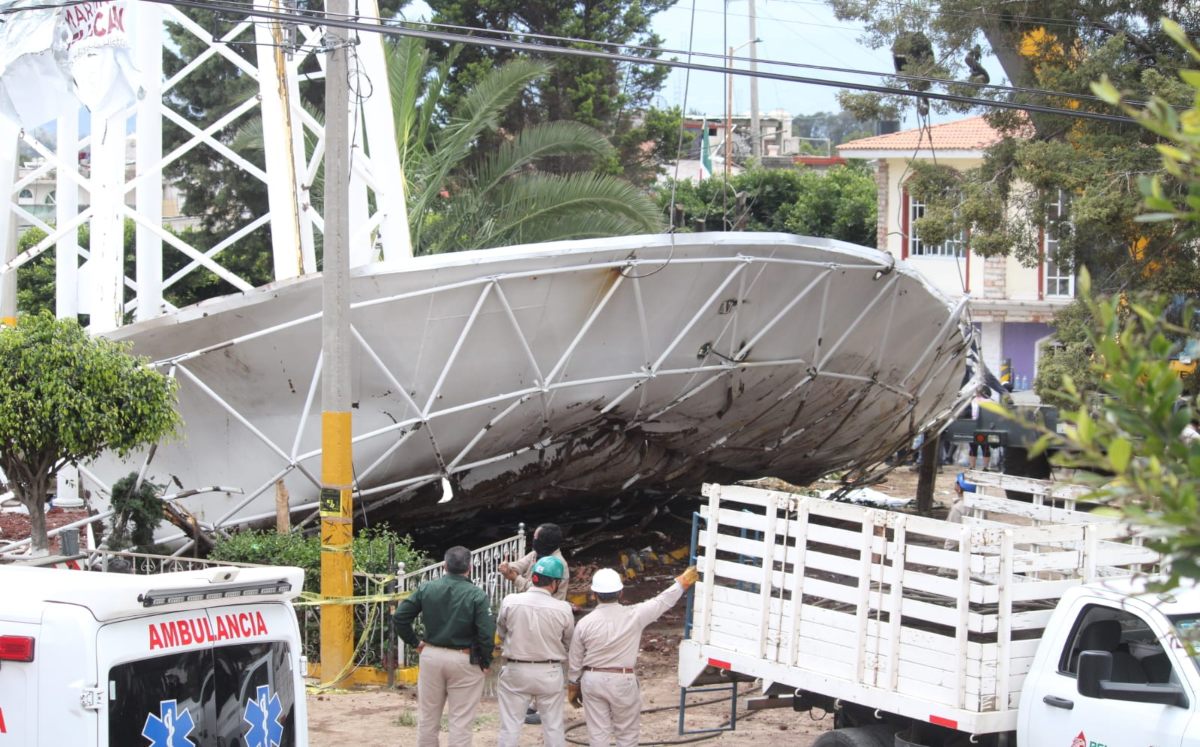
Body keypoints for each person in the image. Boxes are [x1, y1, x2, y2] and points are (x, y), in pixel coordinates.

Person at [567, 565, 699, 747]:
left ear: (594, 594)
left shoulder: (584, 623)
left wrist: (573, 684)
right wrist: (681, 583)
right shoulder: (634, 615)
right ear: (620, 593)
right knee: (627, 735)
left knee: (598, 735)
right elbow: (662, 601)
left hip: (592, 679)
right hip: (623, 679)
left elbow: (575, 658)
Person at [394, 546, 495, 747]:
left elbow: (400, 617)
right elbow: (486, 633)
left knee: (428, 719)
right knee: (461, 721)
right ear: (470, 568)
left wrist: (415, 642)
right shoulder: (477, 595)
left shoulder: (427, 588)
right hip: (465, 659)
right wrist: (485, 660)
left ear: (445, 566)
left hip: (431, 656)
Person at [496, 555, 575, 747]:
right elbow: (568, 642)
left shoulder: (510, 601)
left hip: (516, 670)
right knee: (554, 727)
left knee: (510, 727)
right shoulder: (563, 608)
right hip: (549, 671)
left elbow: (501, 632)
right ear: (555, 583)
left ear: (533, 577)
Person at [500, 522, 570, 601]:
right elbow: (521, 564)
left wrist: (515, 578)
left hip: (547, 608)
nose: (534, 540)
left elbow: (537, 591)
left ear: (545, 541)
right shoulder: (536, 553)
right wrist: (507, 567)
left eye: (536, 538)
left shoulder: (557, 564)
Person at [968, 387, 993, 471]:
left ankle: (973, 466)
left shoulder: (972, 400)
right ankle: (984, 467)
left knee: (974, 447)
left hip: (975, 425)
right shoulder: (990, 401)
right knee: (985, 447)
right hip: (984, 426)